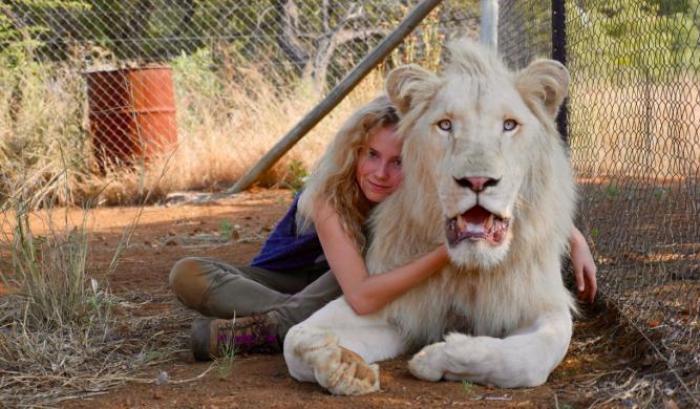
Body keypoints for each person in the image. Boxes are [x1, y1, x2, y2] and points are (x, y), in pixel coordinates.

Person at [169, 95, 597, 361]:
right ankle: (280, 322)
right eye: (371, 155)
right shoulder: (327, 197)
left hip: (357, 277)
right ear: (354, 152)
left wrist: (572, 237)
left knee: (362, 270)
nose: (380, 173)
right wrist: (445, 251)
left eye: (398, 163)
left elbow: (491, 202)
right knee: (187, 273)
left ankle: (272, 325)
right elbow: (360, 293)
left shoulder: (418, 191)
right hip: (299, 277)